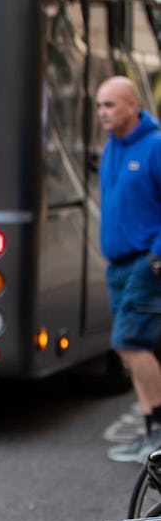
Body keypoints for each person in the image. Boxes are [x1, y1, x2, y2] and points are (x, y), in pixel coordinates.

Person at [97, 76, 161, 463]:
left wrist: (157, 255)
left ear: (132, 105)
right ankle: (149, 433)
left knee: (130, 343)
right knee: (131, 347)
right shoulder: (111, 149)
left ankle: (156, 433)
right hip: (118, 265)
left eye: (110, 105)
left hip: (145, 263)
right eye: (100, 106)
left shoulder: (154, 147)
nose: (103, 113)